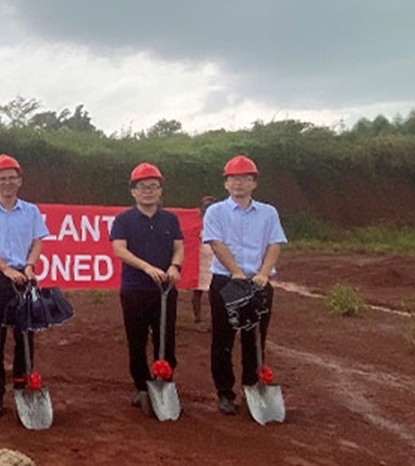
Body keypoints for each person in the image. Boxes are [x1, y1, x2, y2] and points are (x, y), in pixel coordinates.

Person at [203, 155, 288, 415]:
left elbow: (275, 244)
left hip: (258, 283)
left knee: (255, 339)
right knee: (223, 339)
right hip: (226, 282)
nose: (238, 183)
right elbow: (216, 243)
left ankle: (251, 386)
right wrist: (237, 272)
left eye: (244, 178)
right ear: (226, 184)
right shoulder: (215, 212)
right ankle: (225, 393)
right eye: (233, 179)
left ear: (254, 183)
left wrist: (263, 273)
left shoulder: (268, 212)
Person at [0, 154, 50, 417]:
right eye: (1, 179)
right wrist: (4, 268)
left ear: (19, 181)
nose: (7, 183)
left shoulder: (31, 211)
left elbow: (38, 240)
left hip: (24, 276)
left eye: (11, 178)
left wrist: (29, 266)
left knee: (25, 335)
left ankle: (21, 384)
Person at [111, 163, 185, 411]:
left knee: (166, 338)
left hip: (165, 289)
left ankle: (165, 381)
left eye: (154, 187)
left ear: (160, 191)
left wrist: (175, 266)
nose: (148, 192)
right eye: (143, 187)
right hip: (135, 289)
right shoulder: (124, 220)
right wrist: (146, 267)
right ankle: (142, 387)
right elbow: (119, 249)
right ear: (133, 192)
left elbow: (179, 246)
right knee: (137, 340)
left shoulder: (170, 219)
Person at [191, 195, 218, 325]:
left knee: (214, 292)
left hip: (216, 259)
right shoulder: (195, 223)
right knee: (198, 291)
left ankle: (215, 318)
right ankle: (197, 318)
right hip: (200, 259)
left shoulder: (220, 223)